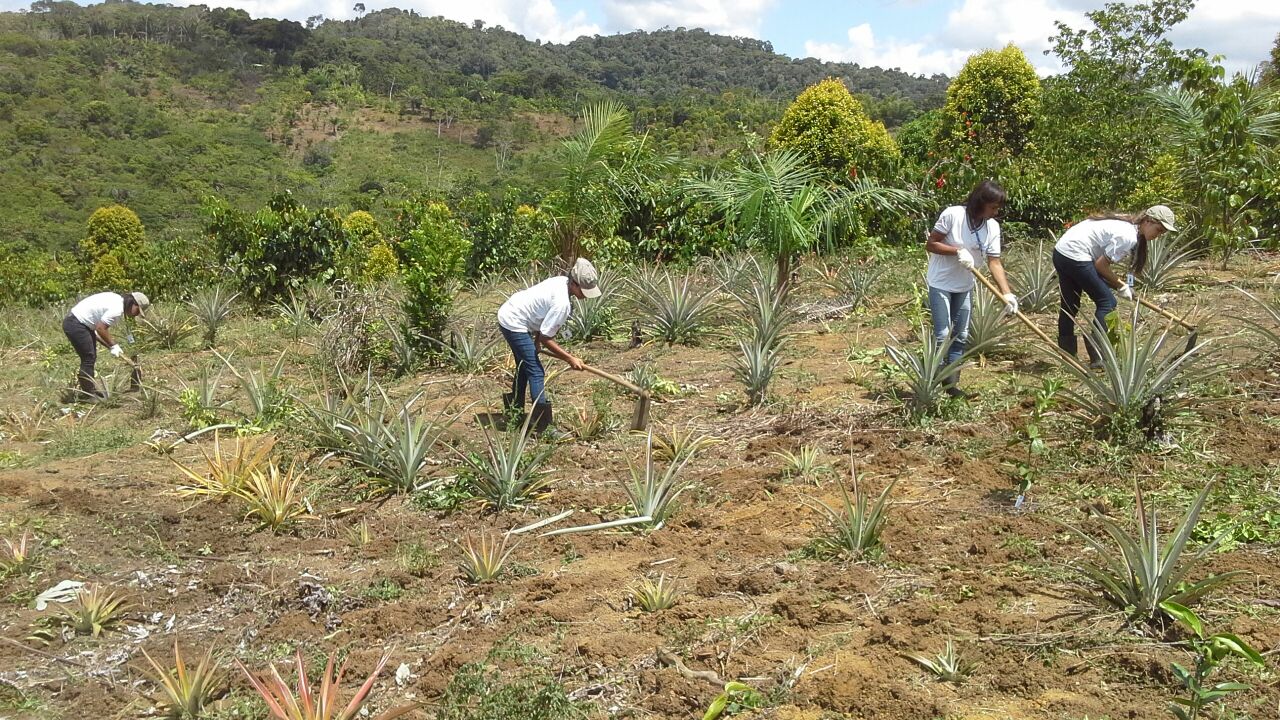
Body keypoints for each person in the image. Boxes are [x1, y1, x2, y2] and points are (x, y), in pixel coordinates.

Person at [925, 179, 1017, 398]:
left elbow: (994, 261)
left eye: (998, 208)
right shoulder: (954, 215)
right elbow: (931, 244)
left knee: (961, 335)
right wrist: (956, 251)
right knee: (942, 334)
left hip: (964, 284)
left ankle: (951, 388)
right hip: (941, 282)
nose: (996, 212)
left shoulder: (992, 227)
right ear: (980, 202)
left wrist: (1007, 293)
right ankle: (933, 380)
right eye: (993, 207)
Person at [1053, 205, 1176, 367]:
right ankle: (1098, 357)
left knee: (1070, 305)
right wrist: (1120, 285)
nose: (1158, 235)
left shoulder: (1130, 227)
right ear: (1147, 221)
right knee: (1107, 302)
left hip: (1061, 252)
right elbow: (1100, 267)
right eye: (1159, 230)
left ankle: (1068, 358)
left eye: (1162, 233)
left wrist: (1128, 286)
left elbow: (1131, 267)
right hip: (1076, 255)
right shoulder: (1128, 236)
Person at [496, 258, 601, 433]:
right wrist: (570, 358)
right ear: (574, 284)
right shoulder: (562, 304)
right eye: (583, 290)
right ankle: (543, 427)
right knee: (536, 371)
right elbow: (547, 338)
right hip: (514, 322)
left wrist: (535, 342)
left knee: (524, 367)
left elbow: (542, 319)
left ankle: (514, 413)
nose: (585, 295)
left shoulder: (560, 281)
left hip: (512, 313)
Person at [63, 291, 149, 400]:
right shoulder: (117, 309)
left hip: (79, 323)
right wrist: (114, 345)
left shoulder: (116, 299)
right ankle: (89, 395)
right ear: (133, 303)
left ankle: (90, 391)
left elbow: (96, 332)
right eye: (137, 311)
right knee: (88, 358)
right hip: (75, 324)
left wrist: (110, 346)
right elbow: (100, 328)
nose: (136, 314)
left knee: (90, 356)